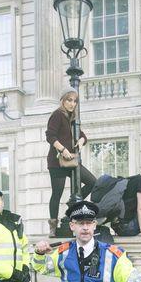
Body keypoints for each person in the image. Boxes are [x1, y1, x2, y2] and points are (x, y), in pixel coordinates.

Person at [46, 87, 96, 237]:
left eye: (75, 101)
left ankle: (71, 204)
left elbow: (82, 135)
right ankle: (53, 227)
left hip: (72, 162)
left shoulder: (73, 117)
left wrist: (82, 140)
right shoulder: (57, 115)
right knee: (57, 193)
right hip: (57, 163)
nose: (72, 103)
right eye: (69, 100)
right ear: (62, 100)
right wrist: (62, 150)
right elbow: (50, 136)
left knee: (93, 181)